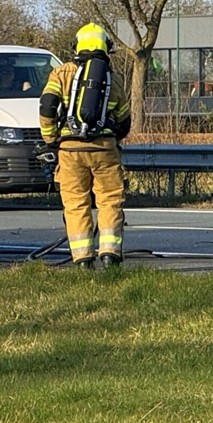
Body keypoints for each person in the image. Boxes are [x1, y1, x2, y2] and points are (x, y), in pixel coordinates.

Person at [38, 22, 131, 270]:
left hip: (70, 151)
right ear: (105, 48)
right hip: (105, 150)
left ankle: (82, 261)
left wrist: (51, 140)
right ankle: (110, 256)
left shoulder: (61, 73)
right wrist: (109, 140)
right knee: (110, 201)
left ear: (77, 46)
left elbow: (47, 105)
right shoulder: (114, 79)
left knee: (76, 203)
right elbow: (124, 121)